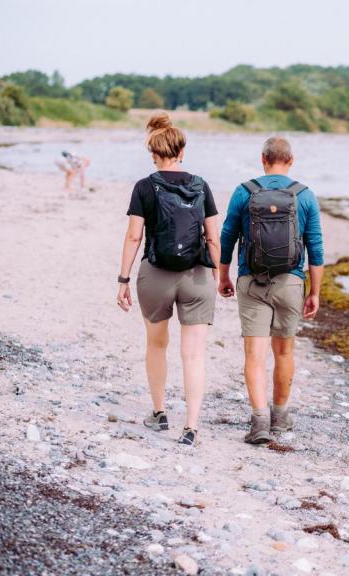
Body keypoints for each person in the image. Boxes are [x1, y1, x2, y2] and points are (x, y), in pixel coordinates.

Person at [117, 111, 220, 446]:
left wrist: (122, 279)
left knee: (157, 344)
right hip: (197, 277)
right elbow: (213, 237)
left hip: (155, 275)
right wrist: (221, 275)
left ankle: (159, 413)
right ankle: (191, 427)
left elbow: (133, 238)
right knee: (193, 355)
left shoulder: (144, 186)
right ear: (181, 152)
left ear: (153, 154)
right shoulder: (201, 185)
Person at [219, 136, 324, 444]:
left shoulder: (244, 191)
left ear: (262, 159)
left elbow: (227, 236)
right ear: (290, 161)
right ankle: (280, 417)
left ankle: (259, 422)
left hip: (251, 280)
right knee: (284, 351)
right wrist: (314, 291)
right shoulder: (304, 195)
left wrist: (223, 275)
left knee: (254, 354)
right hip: (291, 282)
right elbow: (315, 248)